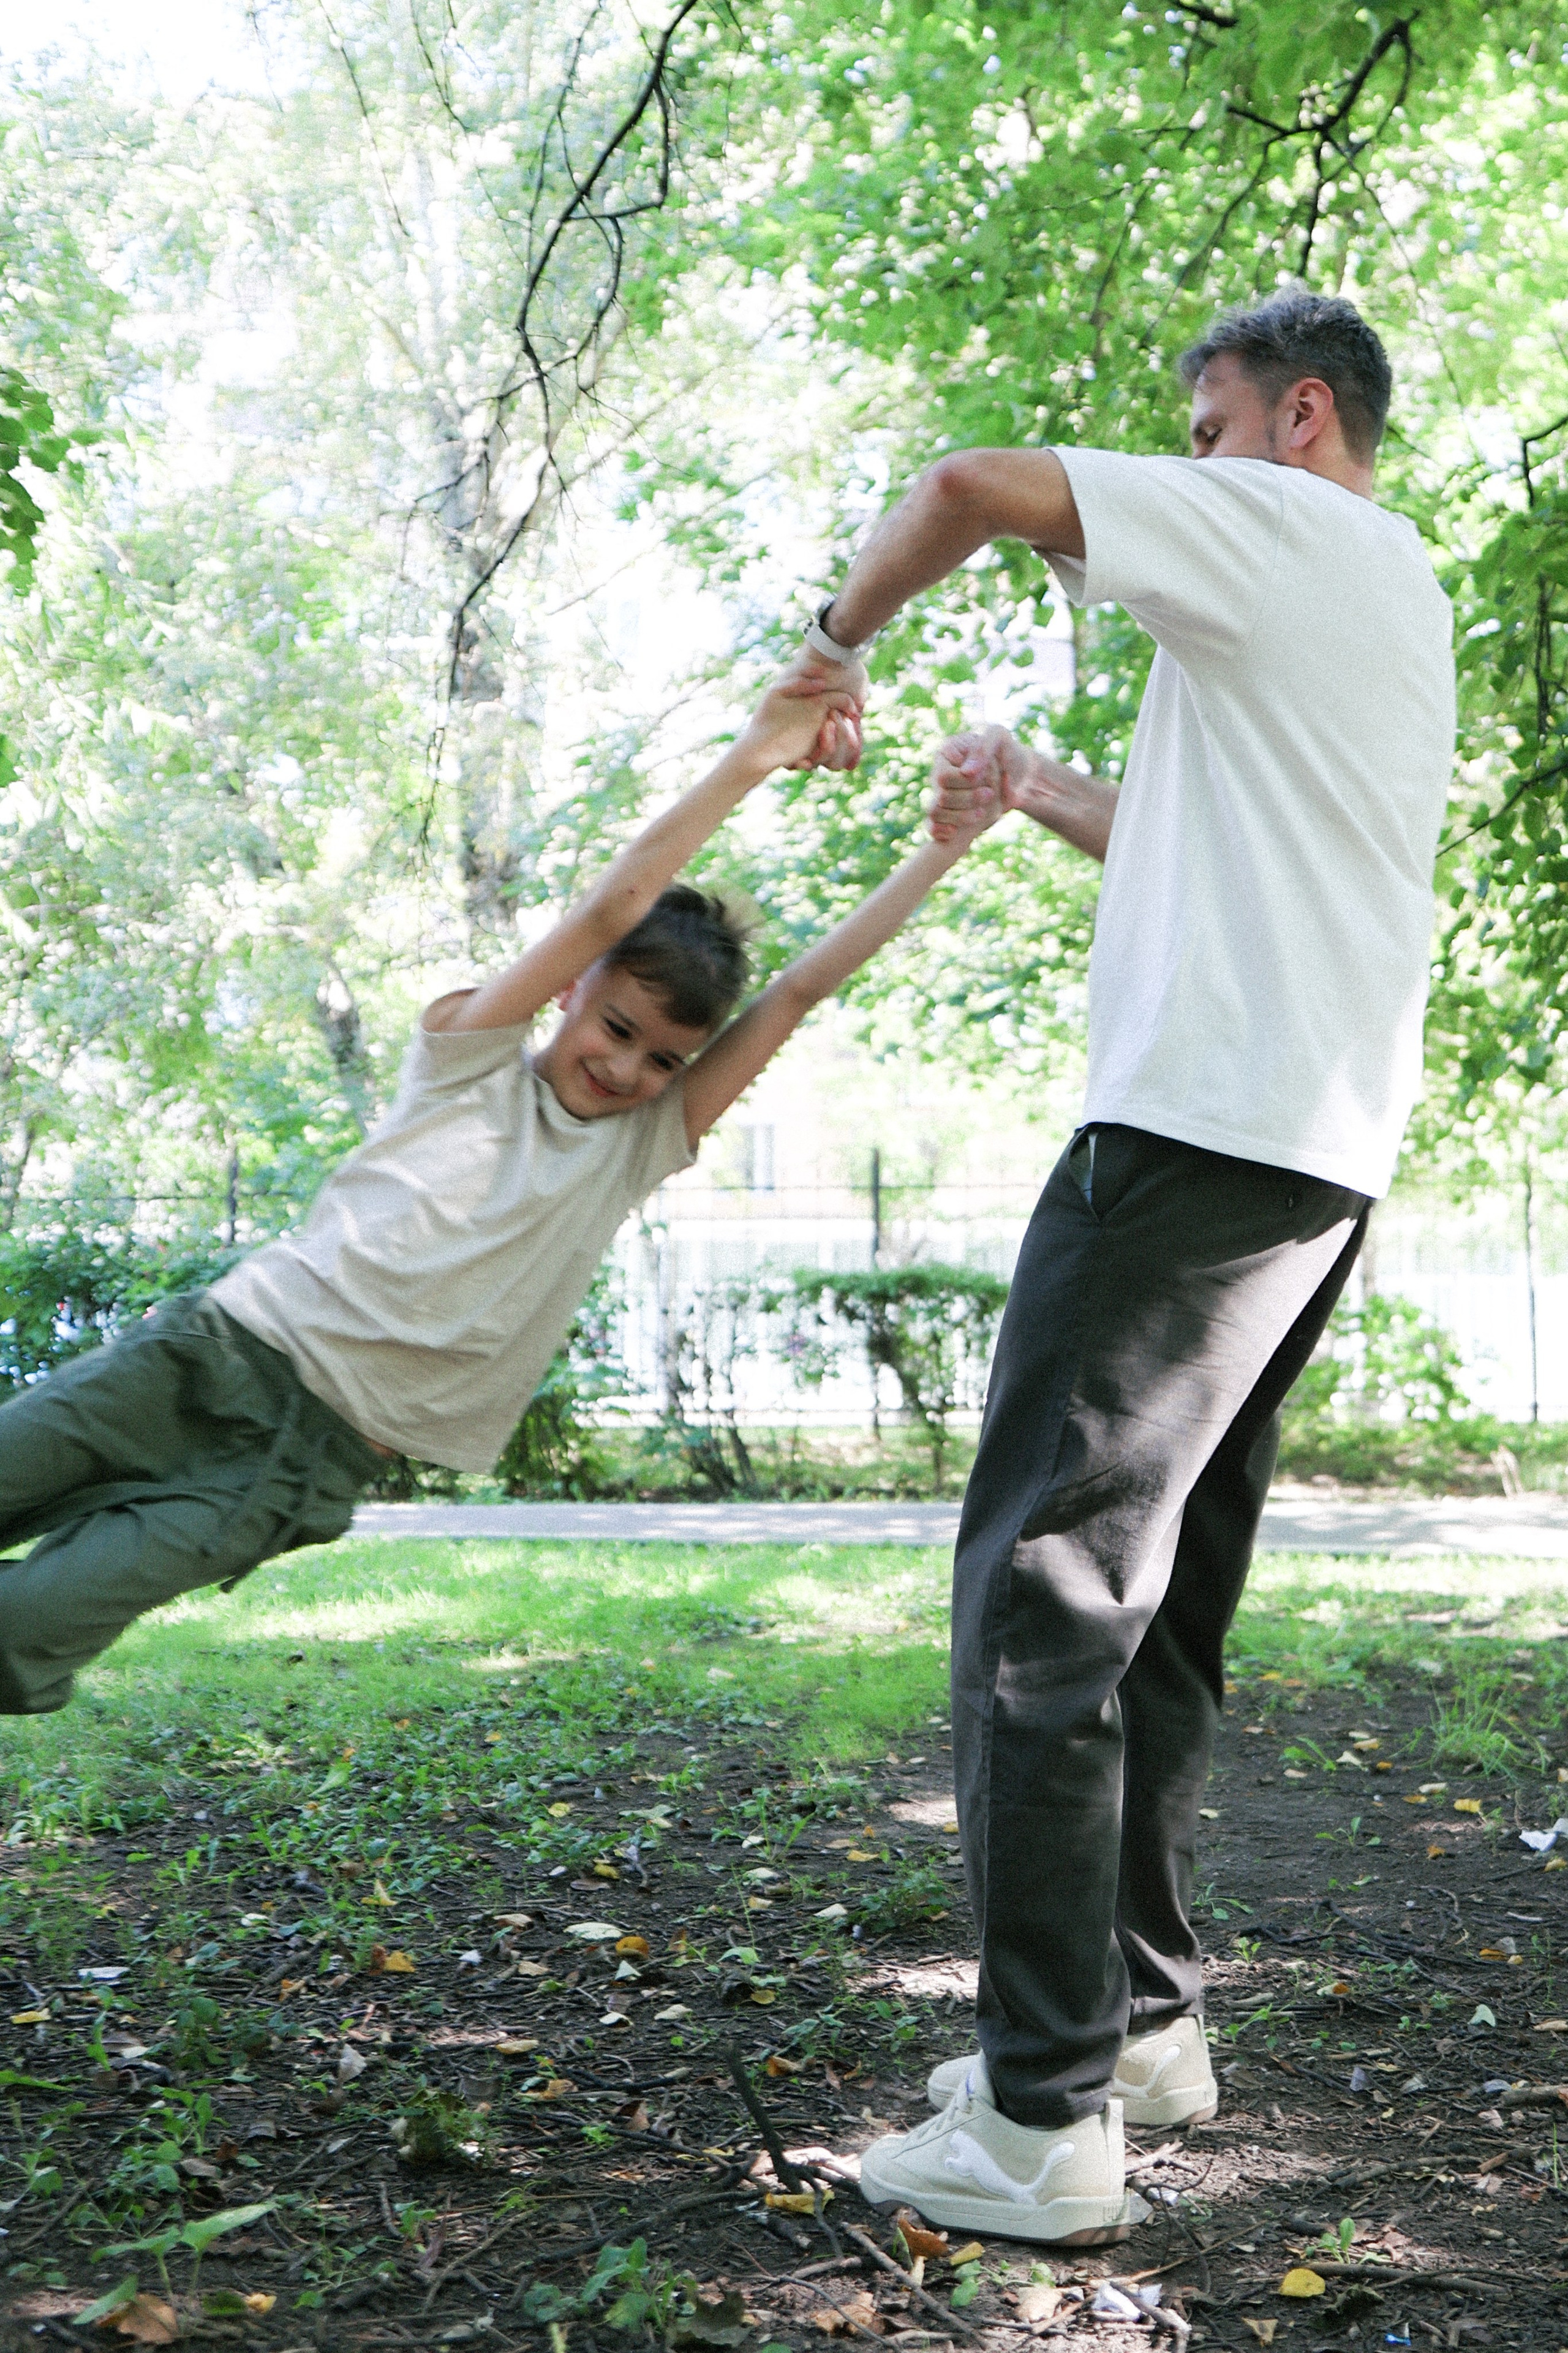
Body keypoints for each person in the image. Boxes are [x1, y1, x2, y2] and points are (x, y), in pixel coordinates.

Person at [783, 287, 1456, 2243]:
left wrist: (827, 649)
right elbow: (1212, 835)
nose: (1189, 461)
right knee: (1149, 1616)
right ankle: (1138, 2028)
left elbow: (967, 487)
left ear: (1302, 415)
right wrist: (1040, 793)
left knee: (1036, 1604)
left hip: (1188, 1148)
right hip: (1309, 1159)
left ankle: (1039, 2120)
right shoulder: (1384, 592)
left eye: (1212, 422)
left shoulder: (1289, 519)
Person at [0, 676, 990, 1716]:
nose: (626, 1068)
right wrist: (753, 754)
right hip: (202, 1358)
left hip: (292, 1465)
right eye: (615, 1027)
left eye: (663, 1058)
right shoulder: (467, 1062)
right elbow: (611, 908)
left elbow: (797, 991)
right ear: (570, 993)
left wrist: (943, 847)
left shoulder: (638, 1146)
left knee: (26, 1627)